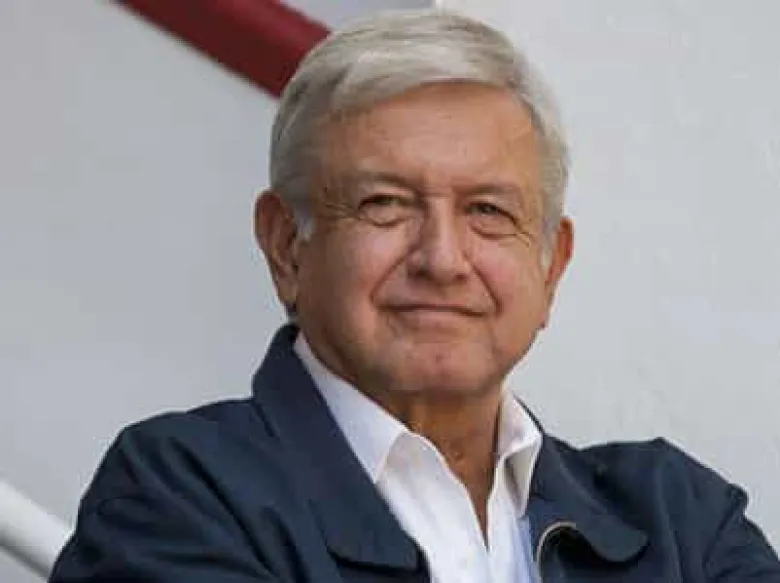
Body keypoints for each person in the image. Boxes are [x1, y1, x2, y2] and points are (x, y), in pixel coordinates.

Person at [49, 9, 780, 583]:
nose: (442, 259)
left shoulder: (683, 519)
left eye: (488, 211)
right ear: (285, 246)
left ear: (550, 265)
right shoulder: (174, 497)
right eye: (385, 204)